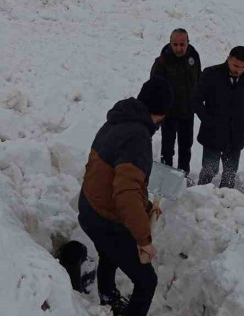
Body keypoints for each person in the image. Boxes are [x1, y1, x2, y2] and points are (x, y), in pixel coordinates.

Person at [78, 77, 173, 316]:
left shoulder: (119, 118)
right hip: (104, 218)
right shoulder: (138, 137)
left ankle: (108, 298)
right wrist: (144, 239)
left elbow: (121, 180)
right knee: (147, 282)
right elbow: (126, 193)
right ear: (161, 114)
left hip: (90, 205)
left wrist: (146, 206)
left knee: (109, 254)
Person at [193, 46, 244, 189]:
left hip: (236, 133)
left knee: (230, 173)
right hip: (213, 132)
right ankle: (201, 198)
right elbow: (196, 99)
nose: (238, 70)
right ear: (228, 58)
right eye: (235, 65)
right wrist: (207, 120)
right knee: (209, 170)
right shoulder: (211, 73)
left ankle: (226, 202)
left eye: (243, 67)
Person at [150, 28, 201, 177]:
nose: (179, 48)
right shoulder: (162, 62)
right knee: (167, 148)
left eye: (182, 44)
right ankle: (165, 178)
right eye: (175, 44)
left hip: (187, 112)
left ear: (188, 42)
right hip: (169, 114)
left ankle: (183, 176)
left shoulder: (194, 56)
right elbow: (153, 89)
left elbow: (199, 79)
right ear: (170, 43)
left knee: (186, 147)